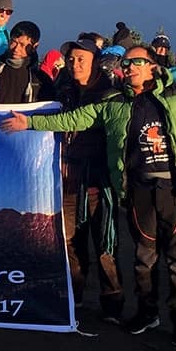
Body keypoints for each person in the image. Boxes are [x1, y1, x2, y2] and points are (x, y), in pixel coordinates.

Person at [1, 44, 176, 348]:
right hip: (138, 190)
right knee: (144, 258)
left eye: (136, 62)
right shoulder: (114, 104)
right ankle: (147, 313)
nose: (129, 68)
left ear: (152, 66)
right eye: (126, 64)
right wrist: (30, 122)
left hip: (175, 190)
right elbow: (73, 119)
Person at [54, 38, 124, 323]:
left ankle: (113, 303)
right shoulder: (64, 91)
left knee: (105, 244)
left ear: (95, 61)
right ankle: (76, 295)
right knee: (70, 241)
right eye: (71, 59)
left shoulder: (109, 94)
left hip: (97, 181)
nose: (75, 64)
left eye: (81, 59)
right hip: (69, 179)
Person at [0, 21, 53, 105]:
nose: (16, 49)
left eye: (22, 45)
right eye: (13, 42)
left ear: (35, 46)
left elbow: (47, 110)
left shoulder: (41, 80)